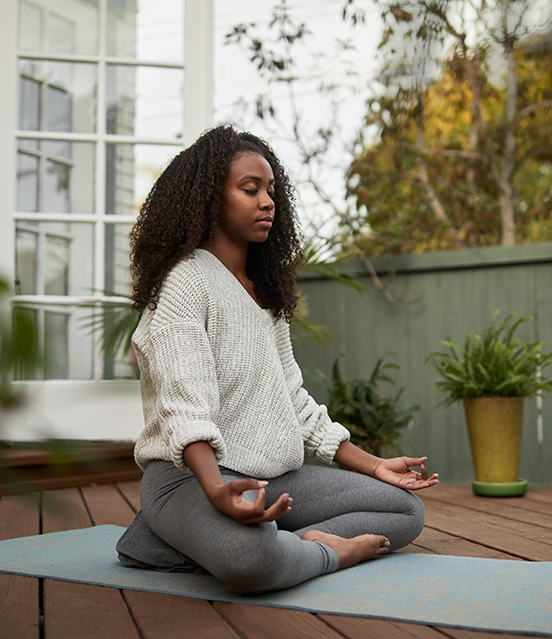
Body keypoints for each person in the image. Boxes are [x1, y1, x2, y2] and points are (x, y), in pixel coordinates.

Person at [117, 125, 439, 595]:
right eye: (250, 189)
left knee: (404, 510)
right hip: (189, 479)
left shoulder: (264, 294)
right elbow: (183, 408)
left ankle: (183, 541)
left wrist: (373, 465)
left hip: (273, 476)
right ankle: (321, 551)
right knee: (253, 559)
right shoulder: (184, 283)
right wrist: (216, 494)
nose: (268, 201)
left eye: (271, 190)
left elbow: (293, 400)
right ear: (209, 198)